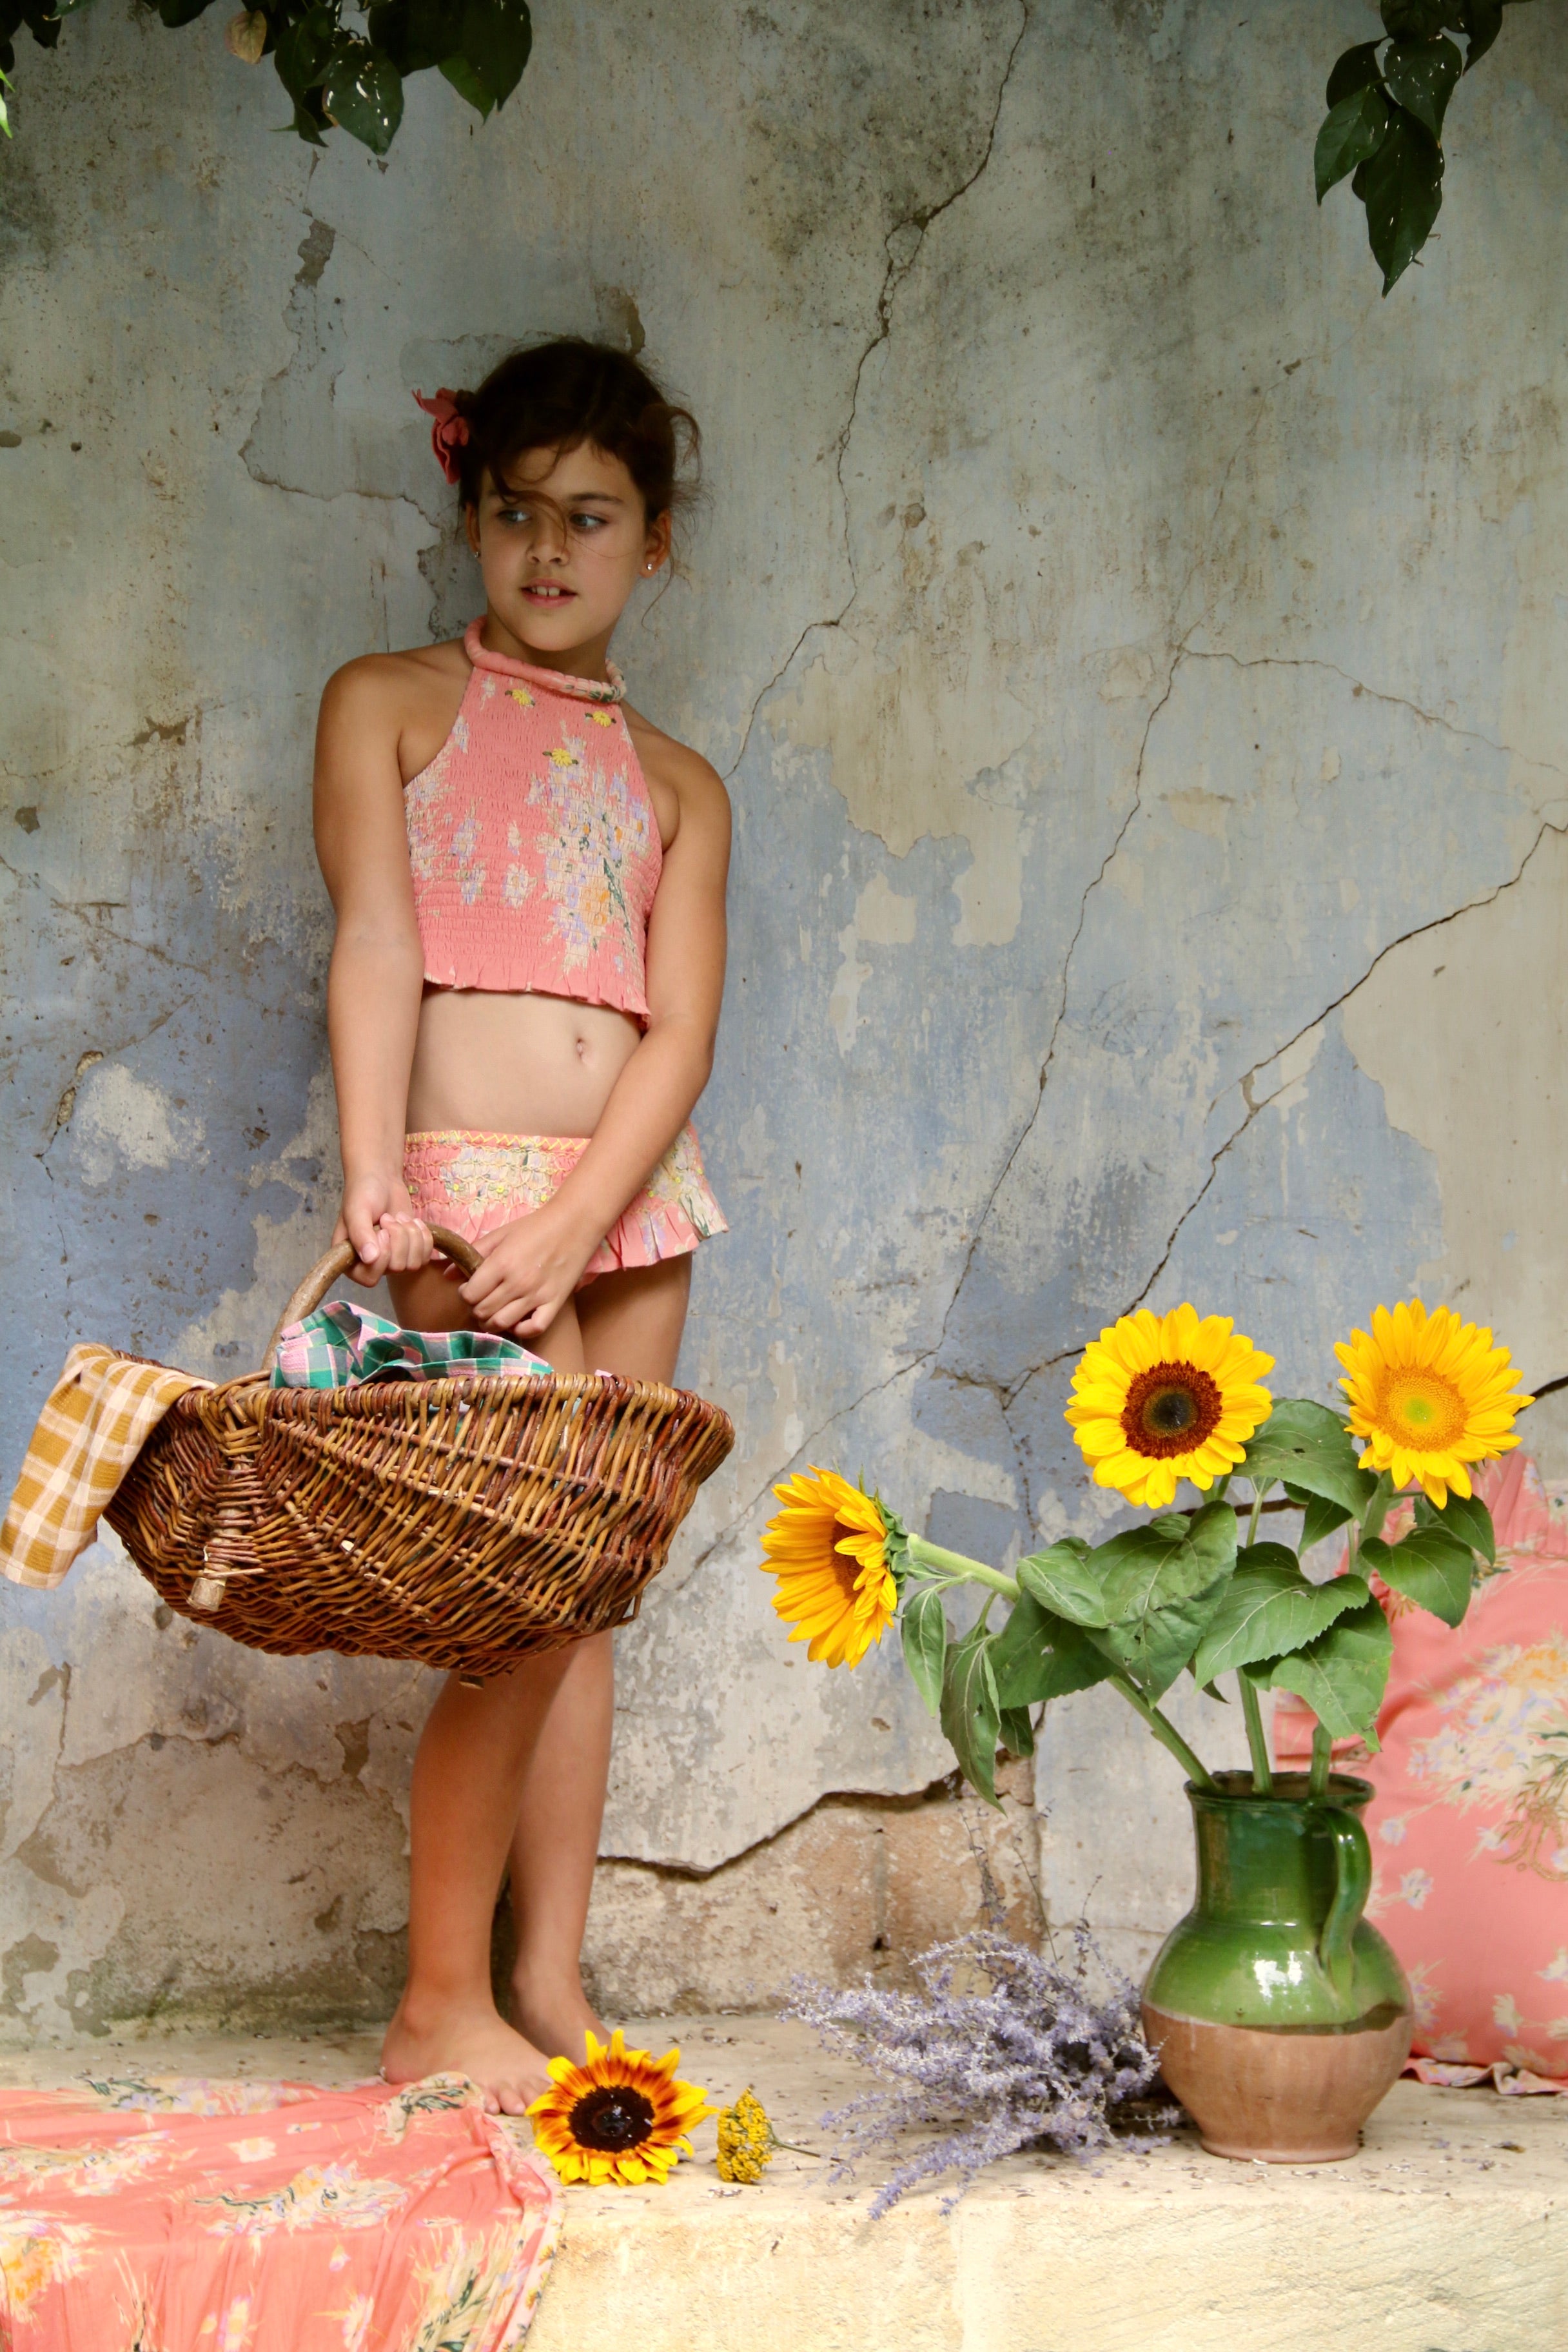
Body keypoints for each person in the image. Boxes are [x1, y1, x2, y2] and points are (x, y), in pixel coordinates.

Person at [311, 340, 730, 2113]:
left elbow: (680, 1030)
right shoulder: (388, 702)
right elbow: (375, 939)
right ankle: (435, 2001)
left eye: (593, 518)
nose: (549, 550)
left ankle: (548, 1979)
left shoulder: (682, 786)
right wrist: (375, 1168)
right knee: (516, 1602)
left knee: (588, 1597)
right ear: (472, 518)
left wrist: (587, 1214)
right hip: (467, 1194)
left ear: (656, 541)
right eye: (517, 512)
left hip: (624, 1206)